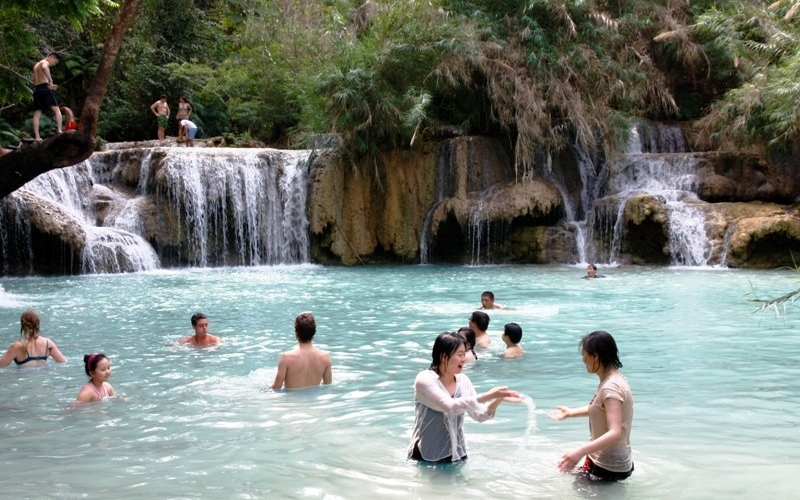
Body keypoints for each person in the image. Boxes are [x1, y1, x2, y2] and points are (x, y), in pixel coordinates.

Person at [408, 332, 521, 463]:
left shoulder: (463, 380)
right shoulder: (425, 379)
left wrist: (498, 398)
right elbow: (450, 406)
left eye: (464, 354)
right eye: (460, 354)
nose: (464, 358)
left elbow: (480, 415)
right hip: (427, 457)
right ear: (443, 356)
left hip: (458, 455)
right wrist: (489, 395)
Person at [547, 330, 634, 481]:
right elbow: (600, 408)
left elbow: (615, 433)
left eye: (584, 355)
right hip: (610, 460)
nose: (583, 360)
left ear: (596, 356)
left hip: (608, 466)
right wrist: (570, 413)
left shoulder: (610, 388)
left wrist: (580, 451)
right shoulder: (616, 379)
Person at [271, 312, 332, 390]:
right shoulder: (325, 357)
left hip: (292, 398)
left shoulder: (286, 358)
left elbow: (276, 388)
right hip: (313, 397)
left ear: (296, 332)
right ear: (314, 332)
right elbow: (327, 385)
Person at [0, 310, 66, 368]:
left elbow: (1, 365)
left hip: (24, 378)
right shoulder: (48, 343)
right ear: (38, 324)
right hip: (44, 377)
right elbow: (63, 361)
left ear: (22, 325)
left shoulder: (17, 346)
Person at [32, 52, 63, 141]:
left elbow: (36, 81)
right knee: (56, 110)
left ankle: (37, 137)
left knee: (37, 113)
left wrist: (50, 86)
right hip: (45, 89)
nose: (54, 64)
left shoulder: (36, 65)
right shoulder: (44, 62)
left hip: (37, 90)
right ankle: (59, 130)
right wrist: (50, 81)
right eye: (55, 62)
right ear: (51, 57)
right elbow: (44, 67)